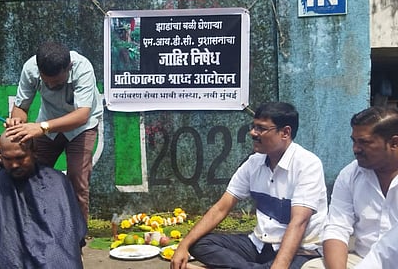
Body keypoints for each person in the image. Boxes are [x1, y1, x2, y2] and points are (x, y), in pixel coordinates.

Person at [170, 102, 328, 269]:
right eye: (253, 127)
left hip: (300, 251)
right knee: (199, 243)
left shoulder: (308, 164)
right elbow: (221, 208)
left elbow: (299, 222)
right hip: (260, 245)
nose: (253, 133)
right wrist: (183, 246)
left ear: (285, 132)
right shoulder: (254, 162)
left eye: (261, 128)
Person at [0, 132, 87, 268]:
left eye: (20, 158)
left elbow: (67, 232)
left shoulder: (55, 181)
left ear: (34, 152)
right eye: (8, 159)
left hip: (48, 251)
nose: (14, 165)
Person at [5, 41, 103, 221]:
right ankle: (34, 230)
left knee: (77, 181)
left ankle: (76, 239)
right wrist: (17, 121)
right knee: (30, 173)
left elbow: (81, 115)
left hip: (81, 127)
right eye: (46, 82)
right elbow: (21, 107)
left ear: (69, 67)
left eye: (57, 82)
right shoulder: (30, 68)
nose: (50, 86)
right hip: (47, 124)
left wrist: (42, 127)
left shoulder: (83, 68)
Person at [302, 106, 398, 268]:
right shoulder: (351, 174)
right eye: (354, 141)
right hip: (362, 258)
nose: (356, 149)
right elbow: (337, 228)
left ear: (394, 143)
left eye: (365, 142)